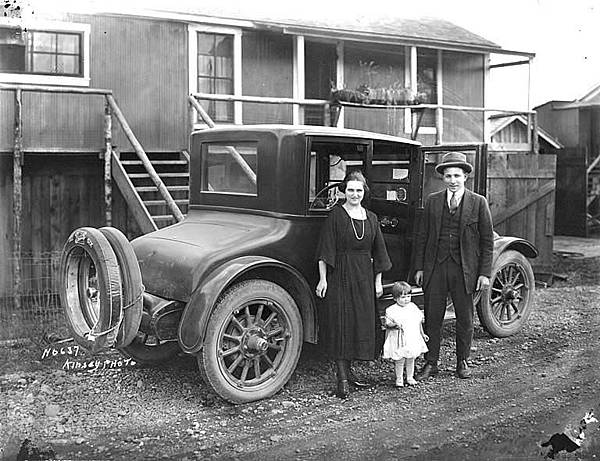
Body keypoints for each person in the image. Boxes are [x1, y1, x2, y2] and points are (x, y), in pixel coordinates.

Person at [414, 152, 493, 380]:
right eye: (448, 176)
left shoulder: (478, 203)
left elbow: (487, 241)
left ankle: (462, 361)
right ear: (443, 178)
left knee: (465, 318)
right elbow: (422, 236)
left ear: (465, 177)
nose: (452, 180)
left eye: (457, 175)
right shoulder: (432, 201)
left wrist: (484, 274)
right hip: (436, 267)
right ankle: (431, 363)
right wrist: (419, 267)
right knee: (433, 317)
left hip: (464, 269)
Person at [315, 170, 392, 399]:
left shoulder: (372, 218)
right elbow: (324, 249)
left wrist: (378, 282)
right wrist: (323, 278)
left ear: (364, 192)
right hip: (340, 274)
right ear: (344, 191)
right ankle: (342, 379)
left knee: (359, 322)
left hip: (364, 276)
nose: (355, 194)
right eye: (350, 190)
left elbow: (380, 252)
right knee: (342, 323)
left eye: (359, 190)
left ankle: (350, 372)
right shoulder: (336, 216)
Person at [382, 281, 429, 387]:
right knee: (400, 359)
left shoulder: (412, 307)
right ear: (395, 298)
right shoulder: (391, 310)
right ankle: (399, 379)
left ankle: (410, 377)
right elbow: (387, 324)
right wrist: (394, 325)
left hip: (412, 337)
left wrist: (422, 334)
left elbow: (418, 322)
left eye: (408, 296)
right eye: (403, 297)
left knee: (411, 358)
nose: (406, 299)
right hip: (399, 338)